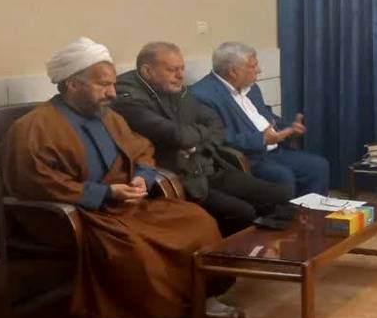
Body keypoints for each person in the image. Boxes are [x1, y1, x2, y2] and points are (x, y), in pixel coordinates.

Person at [0, 37, 235, 318]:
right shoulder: (33, 128)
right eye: (103, 85)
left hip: (127, 205)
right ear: (72, 84)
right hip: (84, 213)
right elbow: (35, 183)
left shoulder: (108, 116)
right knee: (137, 250)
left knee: (198, 221)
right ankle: (170, 315)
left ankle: (200, 300)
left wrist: (142, 178)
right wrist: (105, 193)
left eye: (112, 84)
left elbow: (142, 149)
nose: (112, 92)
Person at [114, 42, 293, 234]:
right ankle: (233, 251)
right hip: (179, 177)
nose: (180, 75)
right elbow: (178, 135)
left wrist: (199, 146)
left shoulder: (175, 88)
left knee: (280, 194)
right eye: (173, 70)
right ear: (147, 71)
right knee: (243, 212)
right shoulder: (127, 98)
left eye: (182, 69)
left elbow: (216, 124)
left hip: (206, 163)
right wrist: (197, 134)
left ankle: (269, 248)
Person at [190, 42, 330, 197]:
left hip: (273, 151)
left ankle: (310, 211)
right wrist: (262, 139)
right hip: (246, 158)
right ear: (233, 71)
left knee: (318, 166)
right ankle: (284, 213)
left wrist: (289, 129)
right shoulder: (203, 95)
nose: (259, 70)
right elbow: (218, 137)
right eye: (253, 66)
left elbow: (266, 117)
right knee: (283, 176)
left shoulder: (251, 88)